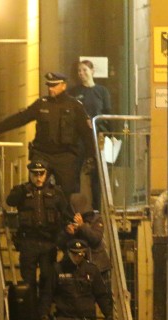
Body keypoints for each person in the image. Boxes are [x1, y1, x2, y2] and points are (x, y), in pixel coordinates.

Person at [0, 71, 96, 196]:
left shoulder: (75, 106)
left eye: (54, 86)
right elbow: (21, 118)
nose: (51, 89)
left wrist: (91, 156)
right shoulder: (41, 104)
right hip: (42, 154)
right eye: (49, 86)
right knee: (36, 191)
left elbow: (86, 133)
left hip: (65, 156)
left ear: (63, 85)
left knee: (68, 193)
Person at [6, 159, 72, 320]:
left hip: (48, 243)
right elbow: (10, 201)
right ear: (30, 174)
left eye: (41, 174)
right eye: (35, 174)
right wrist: (21, 190)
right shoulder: (23, 191)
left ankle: (43, 315)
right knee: (28, 283)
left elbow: (66, 214)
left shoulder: (56, 193)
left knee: (47, 280)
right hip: (28, 242)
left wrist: (62, 238)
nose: (38, 177)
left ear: (46, 174)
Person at [68, 59, 113, 210]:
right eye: (79, 71)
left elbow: (107, 113)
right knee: (74, 172)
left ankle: (97, 209)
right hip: (79, 138)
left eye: (84, 70)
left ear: (92, 71)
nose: (81, 74)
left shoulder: (101, 91)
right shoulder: (74, 92)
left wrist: (110, 134)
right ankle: (73, 208)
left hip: (96, 135)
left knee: (97, 174)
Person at [58, 192, 111, 288]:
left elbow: (95, 239)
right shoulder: (68, 219)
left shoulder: (96, 219)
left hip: (98, 265)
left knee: (103, 294)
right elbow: (60, 243)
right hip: (77, 266)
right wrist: (68, 233)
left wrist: (82, 226)